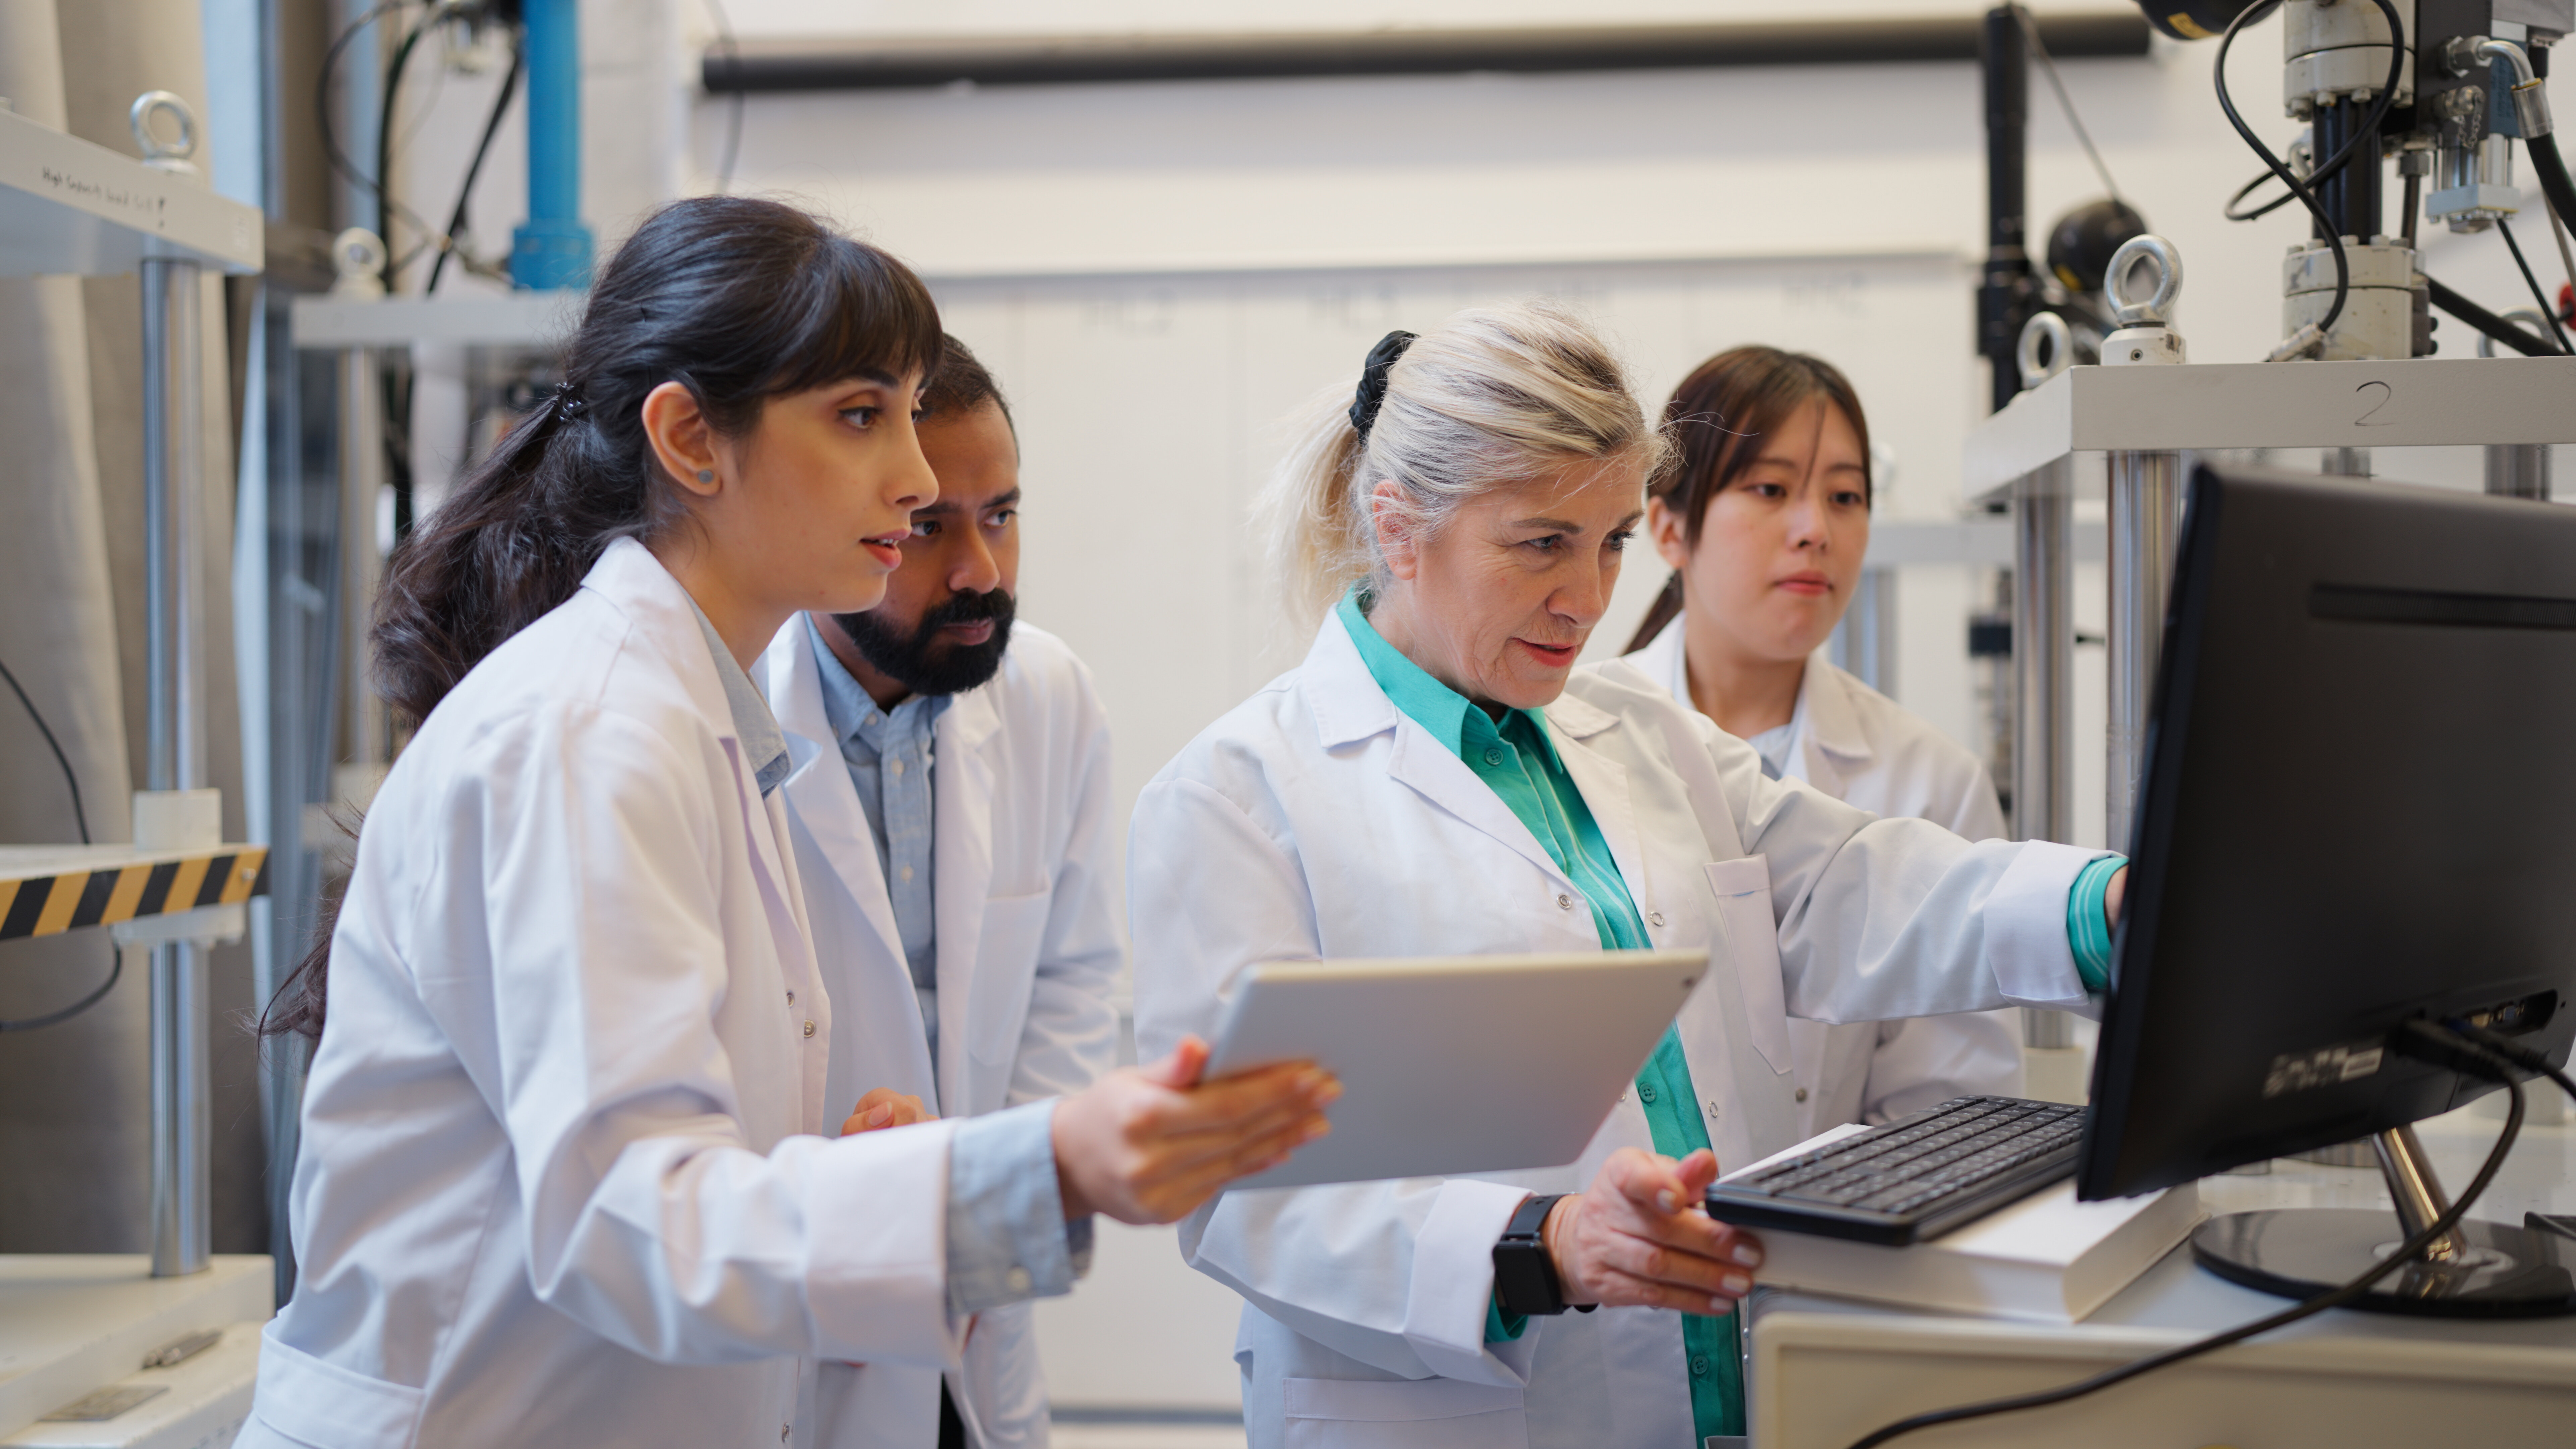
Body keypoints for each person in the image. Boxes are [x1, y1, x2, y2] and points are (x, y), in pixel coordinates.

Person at [240, 198, 1337, 1449]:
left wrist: (891, 1160)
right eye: (863, 416)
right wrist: (1043, 1167)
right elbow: (636, 1222)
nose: (919, 479)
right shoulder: (594, 734)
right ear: (692, 440)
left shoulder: (693, 720)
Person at [1127, 305, 2126, 1449]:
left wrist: (2102, 907)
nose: (1590, 598)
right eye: (1542, 543)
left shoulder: (1640, 729)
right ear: (1400, 528)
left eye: (1609, 543)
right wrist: (1540, 1245)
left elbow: (1852, 885)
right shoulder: (1238, 798)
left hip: (1724, 1393)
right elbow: (1237, 1187)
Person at [759, 336, 1118, 1449]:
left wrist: (984, 1233)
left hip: (973, 1308)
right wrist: (867, 1231)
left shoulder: (1048, 695)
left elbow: (1073, 987)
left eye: (1000, 516)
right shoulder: (722, 718)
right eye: (931, 527)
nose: (981, 571)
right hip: (782, 1310)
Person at [1624, 345, 2023, 1137]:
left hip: (1844, 1245)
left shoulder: (1927, 781)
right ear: (1670, 528)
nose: (1815, 530)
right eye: (1770, 490)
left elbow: (1954, 1105)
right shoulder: (1575, 747)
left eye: (1846, 496)